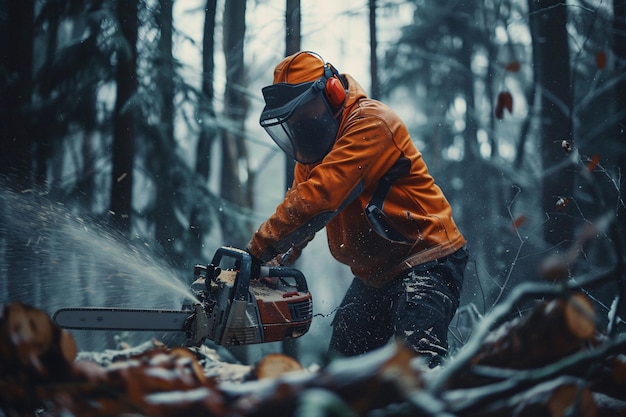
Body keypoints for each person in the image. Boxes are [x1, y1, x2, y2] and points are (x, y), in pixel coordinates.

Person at [247, 51, 468, 367]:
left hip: (426, 258)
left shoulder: (370, 123)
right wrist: (272, 262)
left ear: (332, 92)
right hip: (374, 273)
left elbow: (320, 197)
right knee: (342, 368)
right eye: (295, 122)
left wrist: (256, 251)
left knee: (418, 364)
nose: (302, 127)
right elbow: (299, 209)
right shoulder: (312, 149)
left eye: (306, 116)